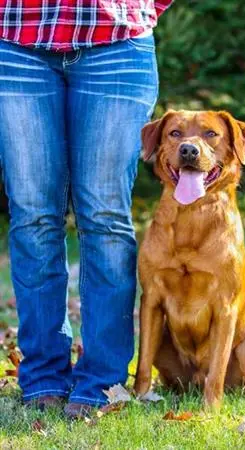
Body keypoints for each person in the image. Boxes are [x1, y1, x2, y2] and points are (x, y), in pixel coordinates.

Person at [0, 0, 172, 419]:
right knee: (33, 218)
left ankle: (103, 380)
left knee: (105, 220)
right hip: (15, 40)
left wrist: (143, 9)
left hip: (115, 41)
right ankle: (43, 376)